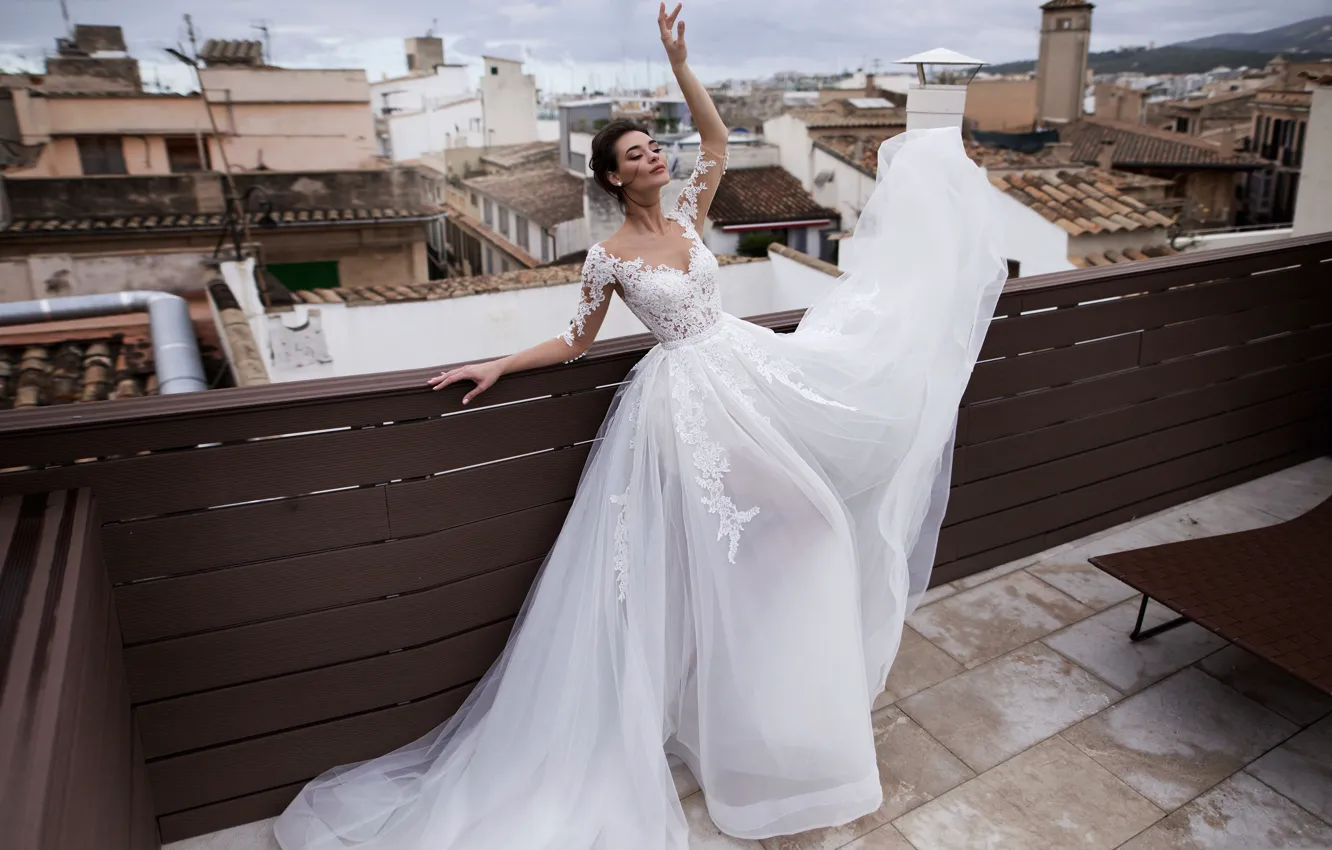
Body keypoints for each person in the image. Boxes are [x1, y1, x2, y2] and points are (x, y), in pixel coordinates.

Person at [274, 4, 1007, 848]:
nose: (655, 155)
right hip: (681, 409)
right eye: (635, 155)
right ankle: (725, 717)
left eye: (653, 145)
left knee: (804, 526)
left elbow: (719, 138)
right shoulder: (607, 256)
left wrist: (679, 63)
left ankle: (766, 710)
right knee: (732, 551)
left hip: (744, 371)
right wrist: (500, 365)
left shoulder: (693, 210)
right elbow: (577, 340)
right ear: (615, 179)